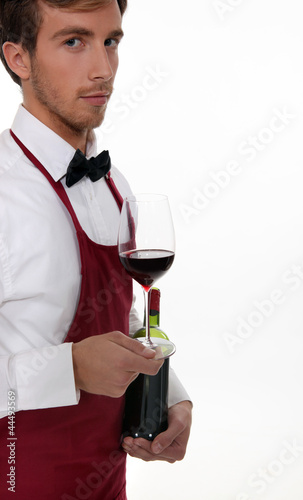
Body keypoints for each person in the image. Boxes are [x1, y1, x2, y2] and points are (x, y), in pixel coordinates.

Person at [0, 0, 192, 498]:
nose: (102, 69)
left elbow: (123, 317)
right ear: (18, 59)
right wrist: (71, 367)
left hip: (109, 483)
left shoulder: (115, 186)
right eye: (73, 42)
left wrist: (169, 394)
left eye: (111, 42)